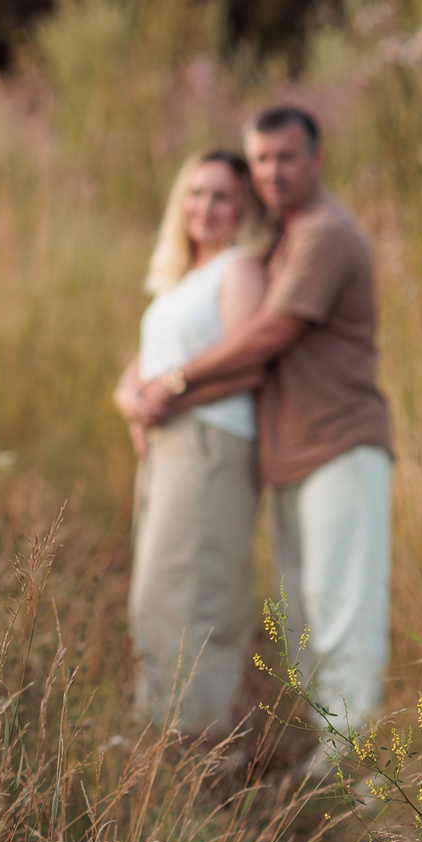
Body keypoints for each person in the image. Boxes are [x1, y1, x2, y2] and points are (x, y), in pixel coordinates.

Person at [129, 105, 392, 780]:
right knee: (306, 610)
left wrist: (177, 380)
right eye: (264, 158)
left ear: (316, 159)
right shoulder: (284, 241)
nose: (274, 170)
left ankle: (348, 770)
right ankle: (327, 754)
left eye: (287, 157)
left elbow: (270, 335)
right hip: (292, 455)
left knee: (341, 608)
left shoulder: (325, 233)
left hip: (340, 443)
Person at [111, 150, 271, 748]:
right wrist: (131, 400)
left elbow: (251, 361)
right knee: (155, 591)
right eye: (196, 193)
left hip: (211, 442)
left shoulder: (239, 269)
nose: (206, 207)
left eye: (221, 196)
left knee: (196, 591)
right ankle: (163, 731)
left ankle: (204, 746)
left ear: (241, 208)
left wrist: (172, 391)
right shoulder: (177, 282)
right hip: (167, 448)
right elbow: (139, 372)